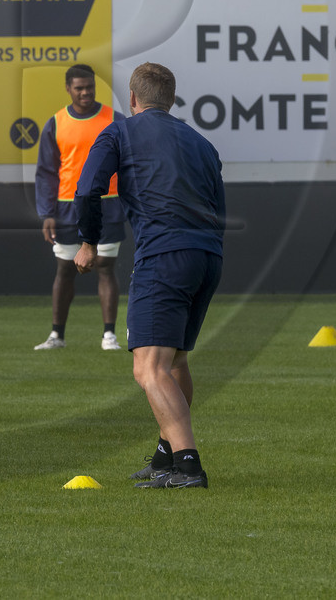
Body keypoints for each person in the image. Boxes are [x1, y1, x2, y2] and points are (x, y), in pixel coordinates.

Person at [74, 62, 225, 489]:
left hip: (164, 256)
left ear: (133, 99)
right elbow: (218, 203)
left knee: (148, 369)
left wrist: (87, 241)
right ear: (171, 100)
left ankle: (189, 465)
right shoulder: (201, 142)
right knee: (174, 361)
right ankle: (166, 457)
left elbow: (89, 188)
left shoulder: (119, 132)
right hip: (207, 256)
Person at [34, 64, 125, 351]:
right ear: (68, 89)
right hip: (66, 208)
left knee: (105, 268)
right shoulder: (56, 122)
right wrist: (46, 212)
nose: (86, 92)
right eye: (79, 88)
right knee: (65, 270)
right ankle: (56, 336)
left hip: (107, 205)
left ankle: (109, 335)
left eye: (90, 87)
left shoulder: (114, 119)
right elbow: (47, 171)